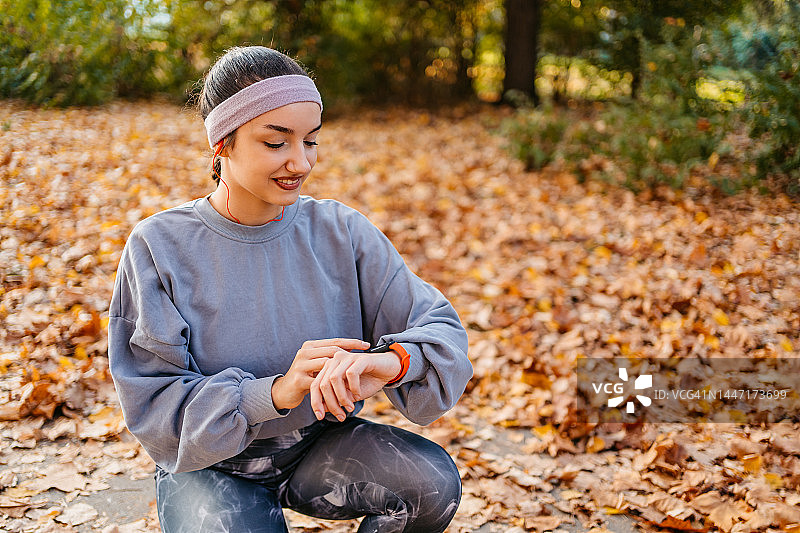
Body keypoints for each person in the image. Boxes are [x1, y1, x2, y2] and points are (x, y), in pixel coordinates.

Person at [107, 45, 473, 533]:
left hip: (317, 449)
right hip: (210, 464)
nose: (300, 162)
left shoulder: (341, 231)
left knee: (431, 485)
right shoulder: (159, 246)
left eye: (311, 141)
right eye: (276, 143)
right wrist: (275, 392)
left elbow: (442, 330)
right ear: (222, 146)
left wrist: (388, 363)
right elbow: (154, 402)